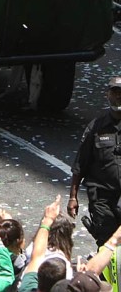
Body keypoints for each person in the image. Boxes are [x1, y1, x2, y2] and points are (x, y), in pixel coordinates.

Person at [71, 76, 121, 244]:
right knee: (106, 244)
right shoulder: (96, 127)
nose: (119, 96)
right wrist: (73, 197)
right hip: (103, 199)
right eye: (115, 92)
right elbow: (80, 164)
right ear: (108, 94)